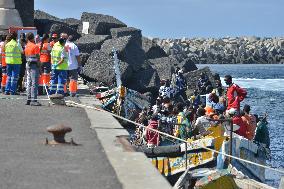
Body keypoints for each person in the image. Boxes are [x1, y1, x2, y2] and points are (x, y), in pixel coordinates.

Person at [24, 32, 41, 106]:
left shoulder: (26, 46)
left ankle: (29, 99)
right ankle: (34, 100)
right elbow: (37, 58)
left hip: (28, 64)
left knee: (29, 82)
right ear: (33, 37)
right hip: (34, 65)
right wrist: (39, 67)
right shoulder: (35, 46)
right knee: (34, 82)